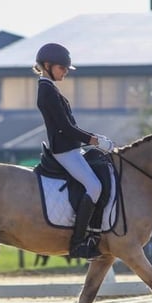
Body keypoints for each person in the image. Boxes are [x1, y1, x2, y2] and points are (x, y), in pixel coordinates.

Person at [33, 42, 114, 259]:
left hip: (71, 148)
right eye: (62, 68)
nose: (66, 72)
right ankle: (78, 243)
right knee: (94, 187)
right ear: (47, 65)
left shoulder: (51, 88)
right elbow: (65, 128)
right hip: (64, 151)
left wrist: (94, 139)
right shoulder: (46, 91)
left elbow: (71, 127)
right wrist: (94, 140)